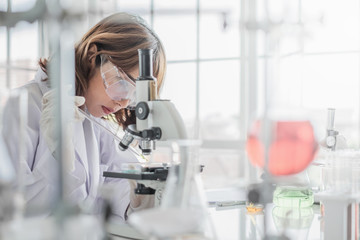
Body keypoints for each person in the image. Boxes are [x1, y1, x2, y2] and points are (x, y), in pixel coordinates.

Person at [2, 12, 166, 221]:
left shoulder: (94, 119)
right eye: (123, 83)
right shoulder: (23, 105)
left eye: (134, 96)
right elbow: (11, 212)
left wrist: (142, 199)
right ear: (92, 55)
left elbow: (119, 187)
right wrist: (58, 158)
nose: (123, 103)